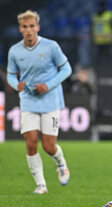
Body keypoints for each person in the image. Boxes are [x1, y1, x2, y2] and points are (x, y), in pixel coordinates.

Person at [6, 10, 72, 194]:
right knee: (31, 142)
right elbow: (11, 75)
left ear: (38, 27)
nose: (28, 30)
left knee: (48, 146)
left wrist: (48, 85)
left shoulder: (51, 47)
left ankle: (61, 163)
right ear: (20, 29)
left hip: (50, 100)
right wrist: (16, 85)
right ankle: (41, 185)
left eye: (32, 26)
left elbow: (66, 69)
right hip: (28, 100)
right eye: (25, 27)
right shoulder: (15, 51)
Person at [91, 0, 112, 67]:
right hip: (98, 40)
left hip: (107, 40)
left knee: (108, 57)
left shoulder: (109, 15)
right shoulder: (95, 15)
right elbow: (92, 27)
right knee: (99, 58)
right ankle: (99, 70)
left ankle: (108, 70)